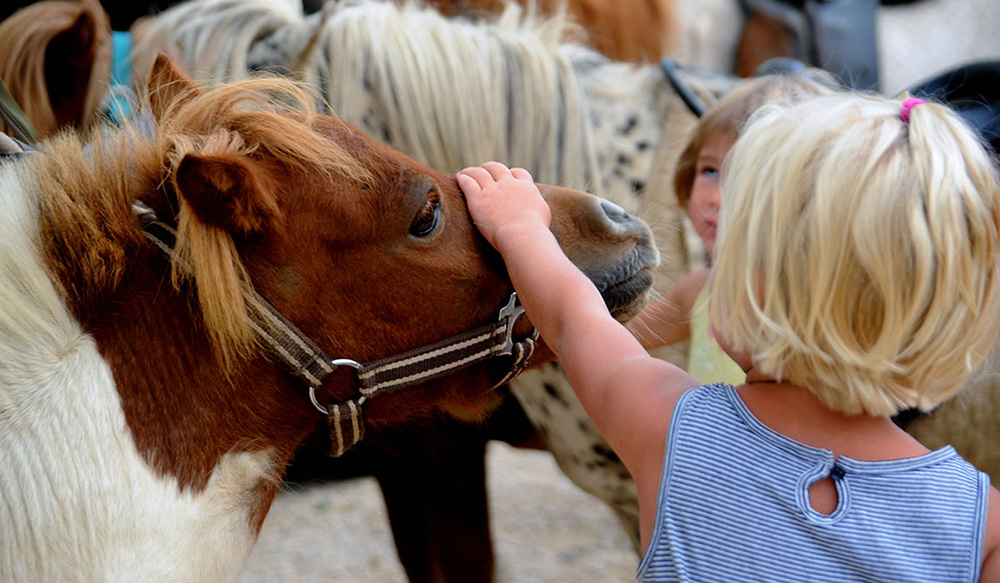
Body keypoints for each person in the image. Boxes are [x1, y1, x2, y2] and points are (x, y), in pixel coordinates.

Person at [456, 93, 1000, 581]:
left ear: (759, 285)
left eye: (734, 245)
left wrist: (520, 227)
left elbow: (575, 321)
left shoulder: (675, 430)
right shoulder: (984, 524)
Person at [626, 72, 836, 386]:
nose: (716, 198)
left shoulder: (825, 308)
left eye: (748, 175)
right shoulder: (698, 293)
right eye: (710, 170)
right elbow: (609, 335)